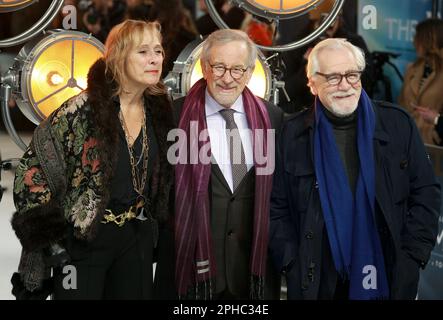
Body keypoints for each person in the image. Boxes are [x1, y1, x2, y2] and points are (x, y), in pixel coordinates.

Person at [11, 20, 175, 300]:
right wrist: (52, 242)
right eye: (143, 52)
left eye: (158, 51)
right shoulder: (80, 110)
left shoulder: (161, 112)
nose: (154, 59)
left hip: (136, 237)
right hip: (84, 241)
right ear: (119, 57)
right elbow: (31, 174)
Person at [269, 38, 440, 300]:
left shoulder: (398, 125)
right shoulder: (291, 134)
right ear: (312, 84)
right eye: (333, 77)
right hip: (316, 280)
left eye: (351, 75)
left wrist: (412, 257)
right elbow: (275, 207)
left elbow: (425, 193)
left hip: (389, 275)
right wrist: (291, 262)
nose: (345, 85)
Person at [173, 29, 283, 300]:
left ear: (248, 73)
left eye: (237, 70)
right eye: (219, 67)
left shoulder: (273, 118)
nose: (227, 78)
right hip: (192, 274)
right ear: (204, 67)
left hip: (251, 274)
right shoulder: (174, 116)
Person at [399, 18, 443, 145]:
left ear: (430, 40)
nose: (414, 41)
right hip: (405, 139)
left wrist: (435, 126)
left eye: (417, 37)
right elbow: (401, 103)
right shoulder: (412, 68)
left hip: (432, 144)